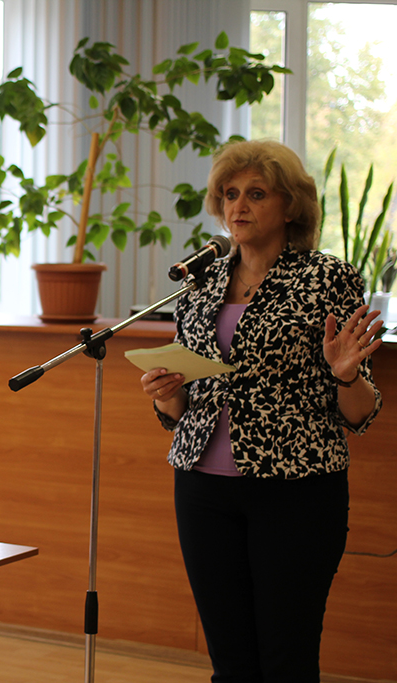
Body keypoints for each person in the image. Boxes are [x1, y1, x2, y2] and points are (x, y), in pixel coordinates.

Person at [139, 139, 383, 682]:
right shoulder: (201, 282)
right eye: (229, 194)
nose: (238, 206)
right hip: (202, 487)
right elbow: (182, 407)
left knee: (286, 660)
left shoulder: (327, 277)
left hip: (296, 490)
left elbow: (360, 413)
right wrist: (167, 392)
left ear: (290, 206)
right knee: (230, 661)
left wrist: (345, 374)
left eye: (256, 194)